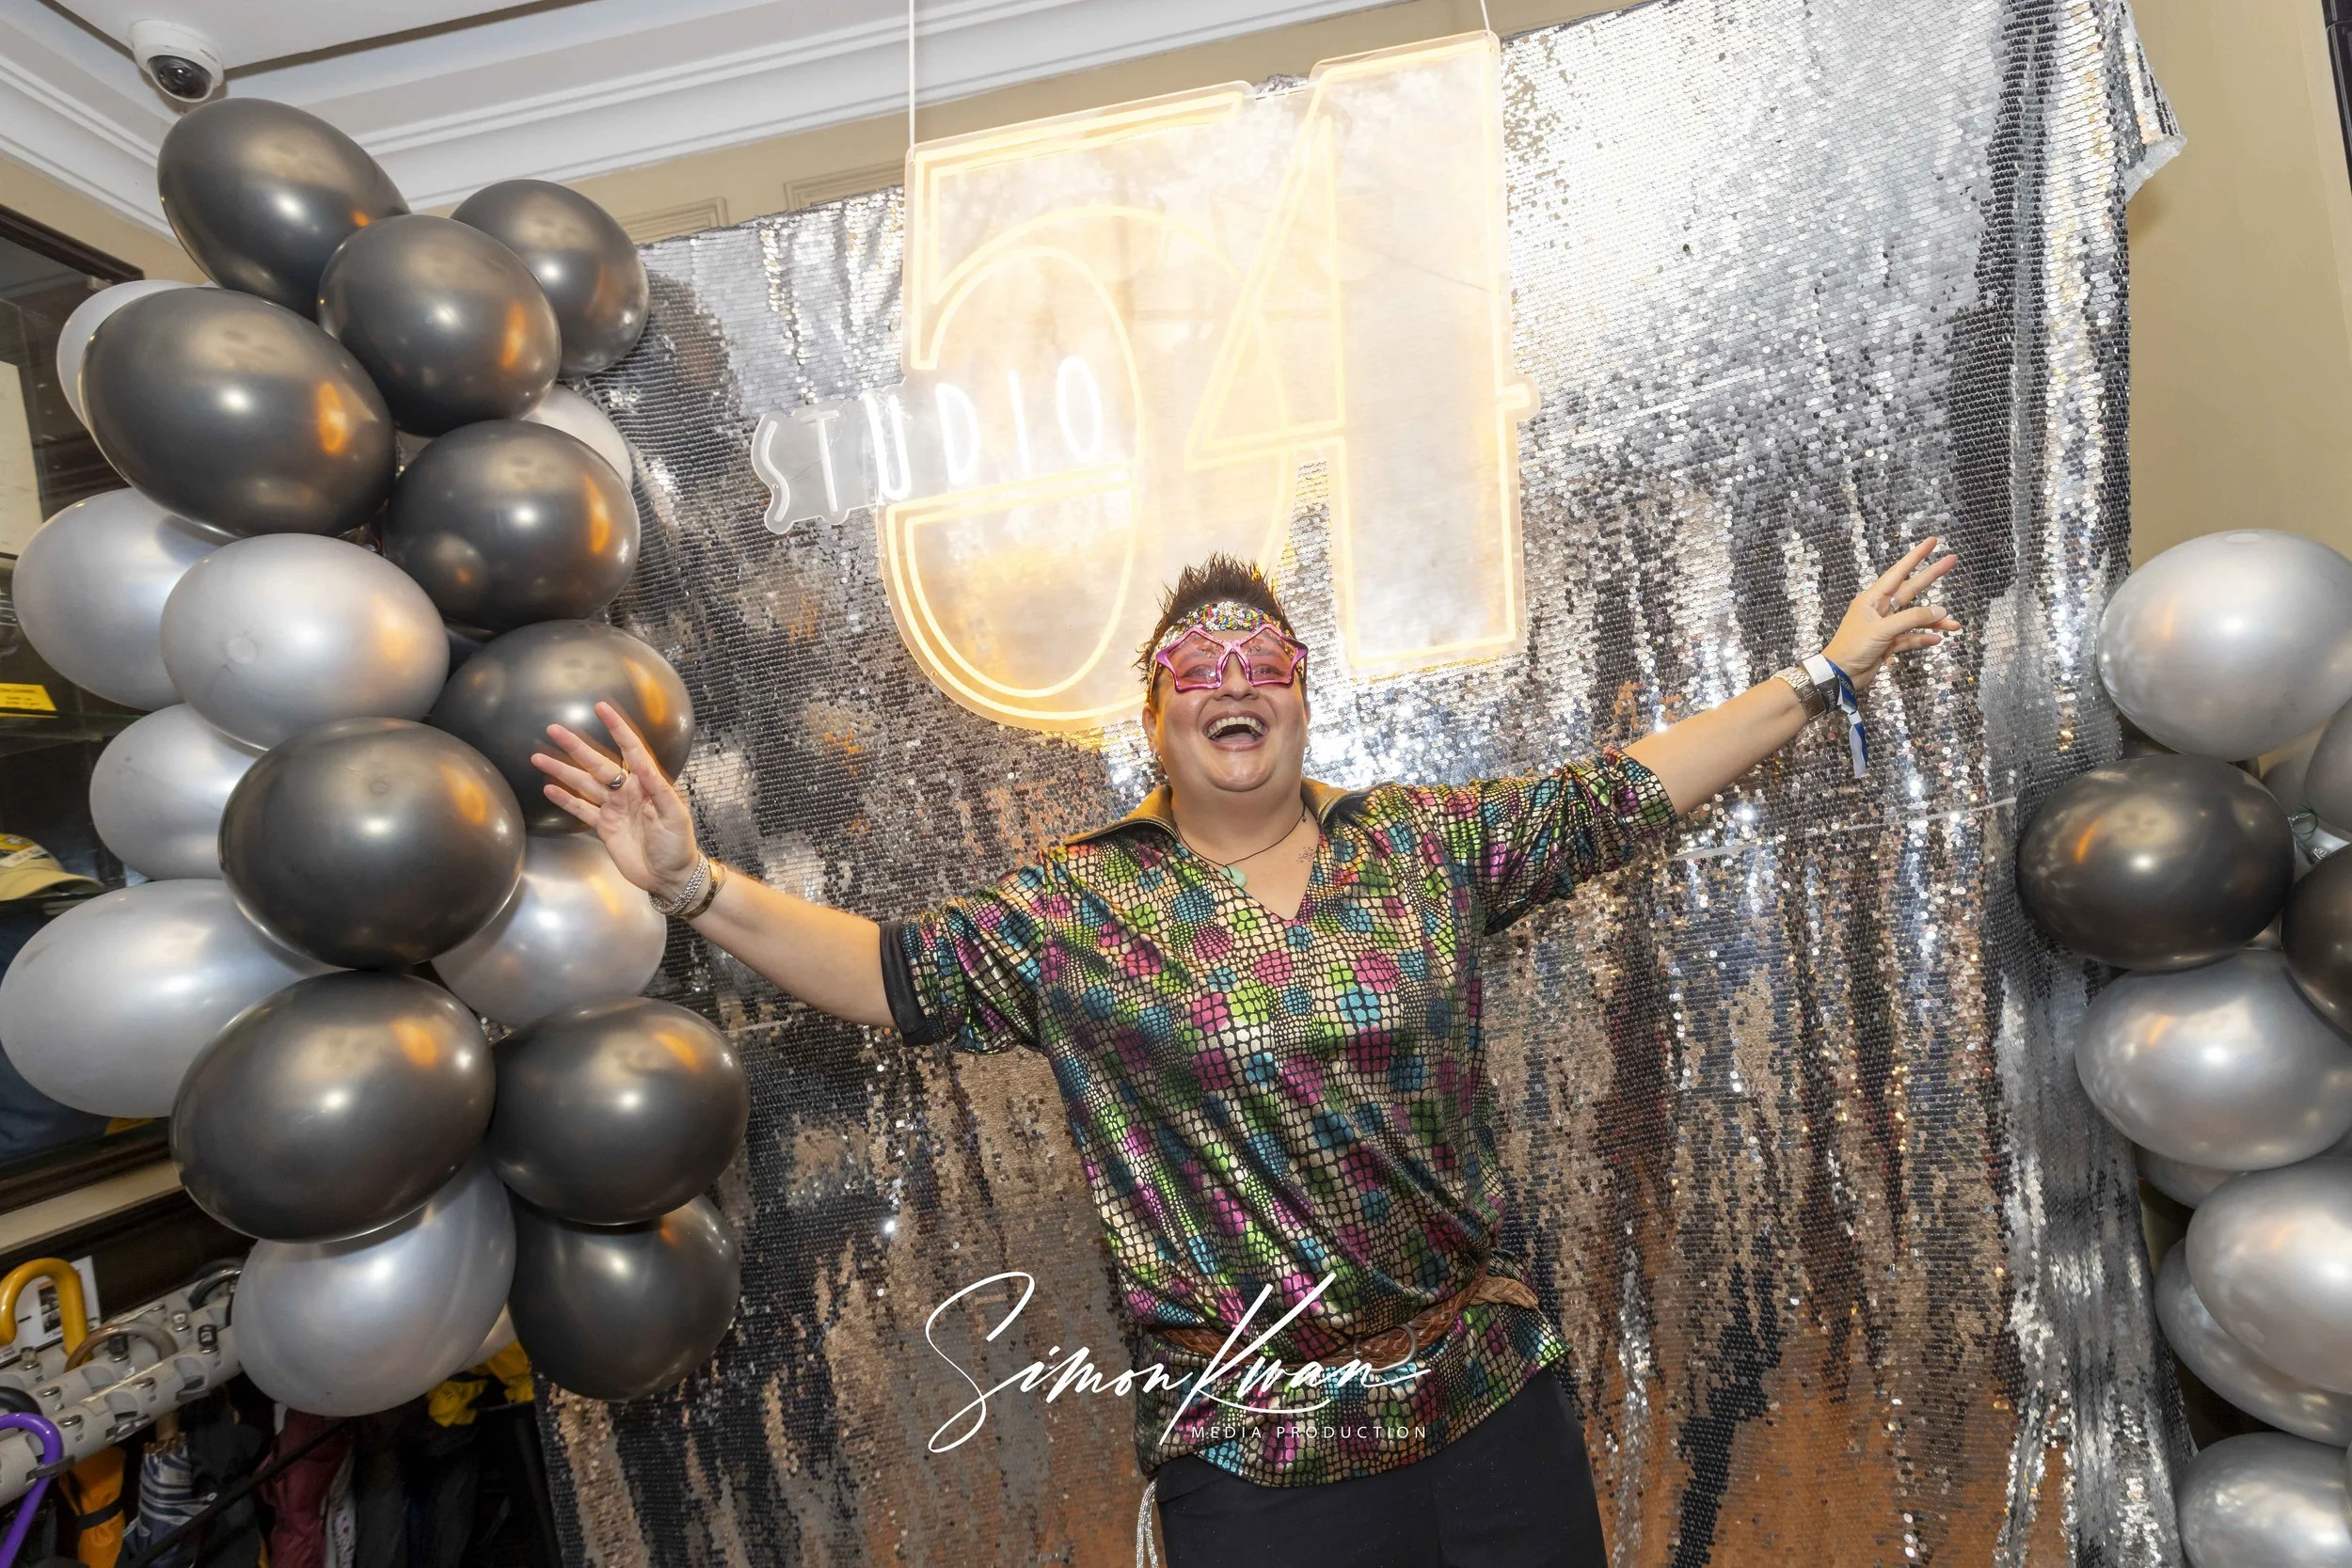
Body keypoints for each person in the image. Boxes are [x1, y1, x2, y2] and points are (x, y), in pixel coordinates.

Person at [532, 538, 1959, 1568]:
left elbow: (1627, 793)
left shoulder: (1422, 846)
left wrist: (1822, 673)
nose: (1237, 682)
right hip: (1259, 1456)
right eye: (1198, 667)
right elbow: (891, 974)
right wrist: (692, 884)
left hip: (1485, 1406)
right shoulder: (1080, 907)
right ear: (1153, 716)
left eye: (1265, 663)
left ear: (1300, 699)